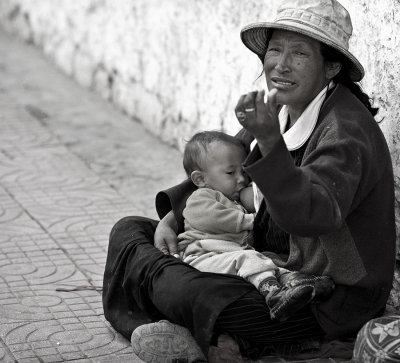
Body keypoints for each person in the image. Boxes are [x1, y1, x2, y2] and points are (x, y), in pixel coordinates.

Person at [103, 0, 396, 361]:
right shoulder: (280, 105)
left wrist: (270, 142)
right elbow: (221, 165)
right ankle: (208, 334)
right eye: (275, 49)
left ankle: (207, 336)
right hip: (262, 256)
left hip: (324, 296)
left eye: (300, 53)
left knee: (193, 293)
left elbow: (311, 215)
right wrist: (175, 217)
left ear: (331, 66)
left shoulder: (345, 132)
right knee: (130, 230)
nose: (281, 64)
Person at [178, 130, 334, 322]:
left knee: (267, 260)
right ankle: (274, 296)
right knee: (248, 258)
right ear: (201, 179)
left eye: (244, 172)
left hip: (228, 254)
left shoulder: (232, 200)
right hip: (203, 256)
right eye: (230, 172)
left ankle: (298, 283)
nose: (242, 179)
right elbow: (210, 218)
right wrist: (251, 220)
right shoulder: (202, 197)